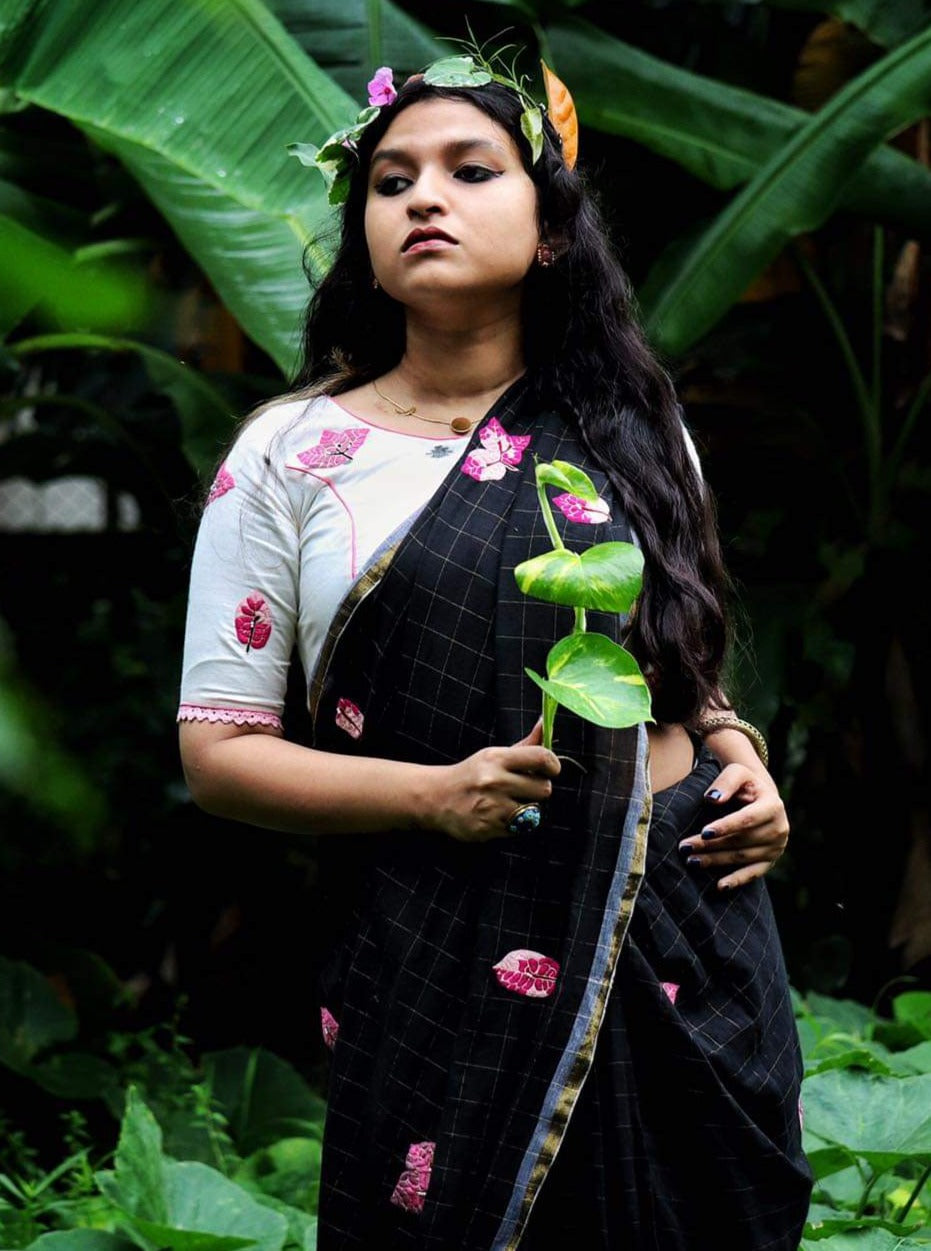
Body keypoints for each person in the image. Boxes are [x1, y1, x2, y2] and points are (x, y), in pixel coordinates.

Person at [178, 51, 811, 1251]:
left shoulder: (634, 426)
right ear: (362, 233)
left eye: (472, 171)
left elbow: (677, 658)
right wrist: (434, 797)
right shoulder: (289, 456)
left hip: (678, 920)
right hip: (435, 931)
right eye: (391, 181)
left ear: (553, 231)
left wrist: (739, 752)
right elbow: (219, 754)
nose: (424, 198)